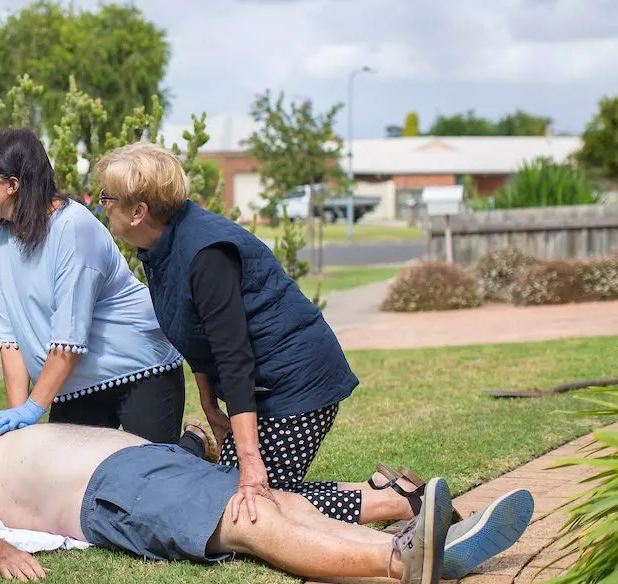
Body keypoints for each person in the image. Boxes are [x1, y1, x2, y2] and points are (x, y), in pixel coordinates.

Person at [92, 143, 443, 526]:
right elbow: (196, 336)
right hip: (268, 387)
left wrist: (249, 460)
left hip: (296, 384)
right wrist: (212, 410)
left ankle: (402, 505)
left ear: (138, 211)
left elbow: (234, 357)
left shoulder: (205, 253)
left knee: (246, 504)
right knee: (230, 494)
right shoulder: (163, 247)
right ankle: (381, 489)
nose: (102, 205)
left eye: (107, 197)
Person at [0, 424, 535, 584]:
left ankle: (427, 546)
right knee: (254, 524)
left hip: (140, 469)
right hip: (112, 491)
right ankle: (402, 560)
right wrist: (1, 551)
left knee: (274, 501)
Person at [0, 129, 186, 444]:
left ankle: (194, 442)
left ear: (12, 184)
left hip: (138, 366)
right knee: (75, 486)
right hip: (71, 382)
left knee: (155, 475)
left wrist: (34, 407)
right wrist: (17, 422)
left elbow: (69, 337)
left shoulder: (73, 227)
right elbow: (10, 339)